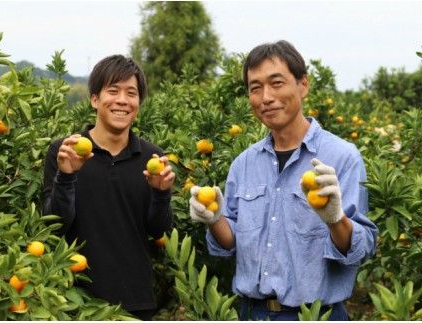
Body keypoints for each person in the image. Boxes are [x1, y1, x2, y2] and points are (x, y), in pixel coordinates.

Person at [188, 40, 378, 321]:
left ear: (303, 84)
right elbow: (231, 244)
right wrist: (215, 219)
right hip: (251, 313)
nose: (265, 97)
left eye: (276, 83)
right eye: (255, 88)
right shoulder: (244, 164)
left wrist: (335, 218)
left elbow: (360, 250)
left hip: (314, 315)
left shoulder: (341, 158)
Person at [42, 55, 175, 320]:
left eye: (131, 93)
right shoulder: (65, 151)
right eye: (113, 91)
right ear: (94, 99)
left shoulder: (152, 158)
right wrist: (66, 177)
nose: (122, 101)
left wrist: (161, 194)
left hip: (136, 302)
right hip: (73, 299)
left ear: (138, 103)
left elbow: (159, 230)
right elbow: (53, 226)